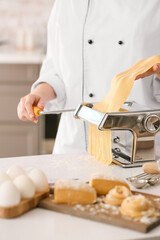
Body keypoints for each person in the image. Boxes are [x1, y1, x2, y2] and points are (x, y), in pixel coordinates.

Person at [17, 0, 160, 154]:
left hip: (138, 147)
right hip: (74, 145)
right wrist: (39, 94)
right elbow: (56, 71)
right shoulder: (67, 4)